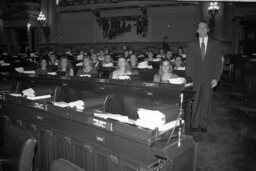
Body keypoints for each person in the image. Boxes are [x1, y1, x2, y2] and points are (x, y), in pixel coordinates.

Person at [186, 20, 222, 133]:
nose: (202, 29)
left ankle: (204, 124)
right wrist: (189, 79)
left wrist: (216, 77)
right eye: (199, 28)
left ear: (208, 29)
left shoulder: (215, 44)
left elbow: (218, 62)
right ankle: (195, 124)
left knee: (207, 102)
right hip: (195, 79)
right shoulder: (191, 44)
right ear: (197, 30)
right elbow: (189, 63)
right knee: (195, 102)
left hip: (209, 78)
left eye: (204, 27)